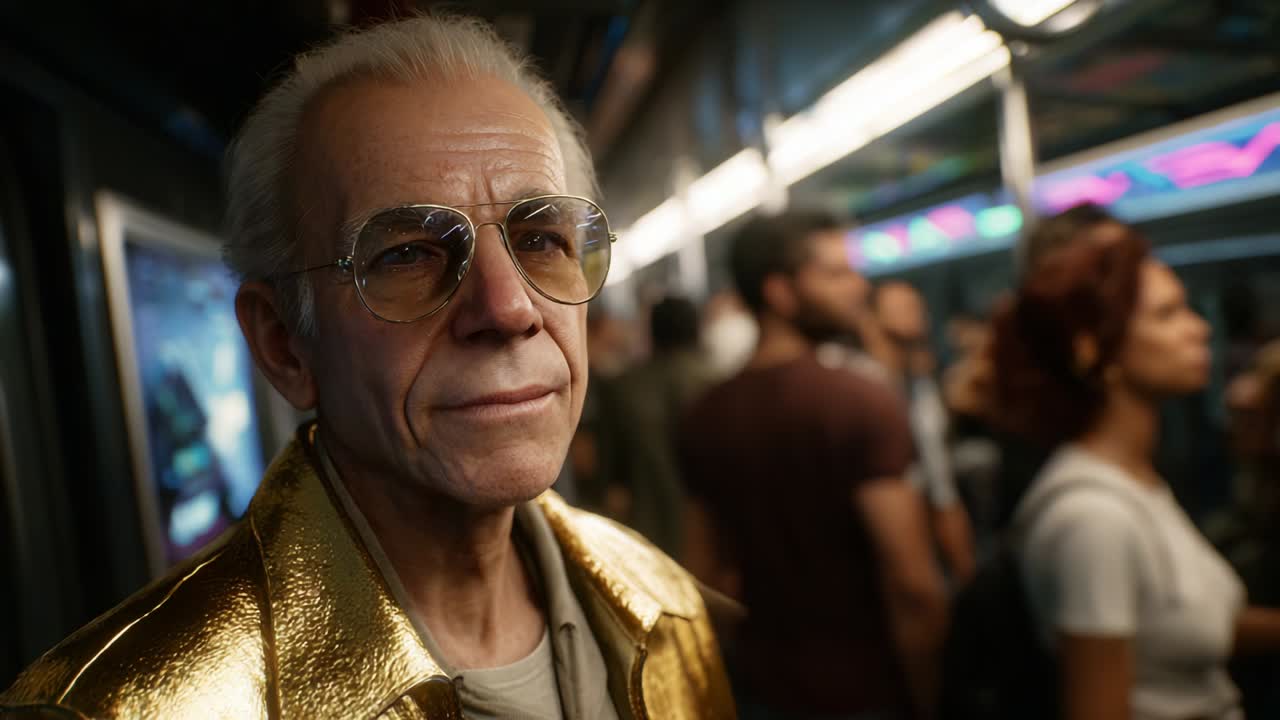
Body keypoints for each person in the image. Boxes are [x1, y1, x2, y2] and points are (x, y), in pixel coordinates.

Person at [1, 15, 734, 719]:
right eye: (408, 254)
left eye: (541, 239)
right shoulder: (119, 709)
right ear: (285, 343)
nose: (510, 308)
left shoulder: (663, 603)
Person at [990, 227, 1280, 720]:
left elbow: (1191, 624)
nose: (1199, 328)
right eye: (1167, 315)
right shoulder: (1092, 518)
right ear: (1091, 351)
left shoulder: (1135, 481)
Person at [680, 210, 948, 720]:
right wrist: (929, 698)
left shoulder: (704, 415)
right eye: (835, 274)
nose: (857, 285)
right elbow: (913, 586)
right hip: (864, 688)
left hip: (761, 688)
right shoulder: (861, 400)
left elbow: (704, 575)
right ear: (780, 292)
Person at [873, 281, 977, 586]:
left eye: (917, 306)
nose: (917, 314)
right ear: (873, 318)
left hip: (932, 532)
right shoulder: (866, 385)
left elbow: (941, 486)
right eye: (903, 307)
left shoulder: (921, 386)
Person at [607, 296, 717, 557]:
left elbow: (612, 471)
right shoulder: (715, 382)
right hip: (710, 529)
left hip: (647, 522)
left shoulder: (624, 387)